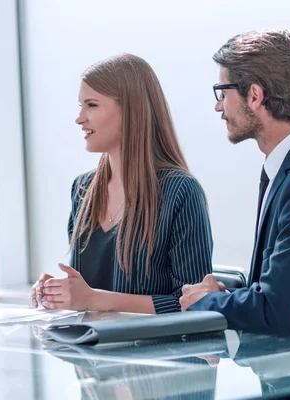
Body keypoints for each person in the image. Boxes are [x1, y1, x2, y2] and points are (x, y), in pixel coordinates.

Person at [32, 54, 213, 314]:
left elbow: (195, 305)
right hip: (94, 351)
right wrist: (60, 292)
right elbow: (86, 293)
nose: (79, 118)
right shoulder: (82, 190)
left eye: (91, 105)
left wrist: (93, 299)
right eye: (81, 105)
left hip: (157, 353)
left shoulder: (179, 192)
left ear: (130, 110)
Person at [180, 30, 290, 333]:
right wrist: (225, 298)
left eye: (223, 92)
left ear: (255, 95)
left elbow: (277, 310)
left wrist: (204, 302)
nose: (219, 107)